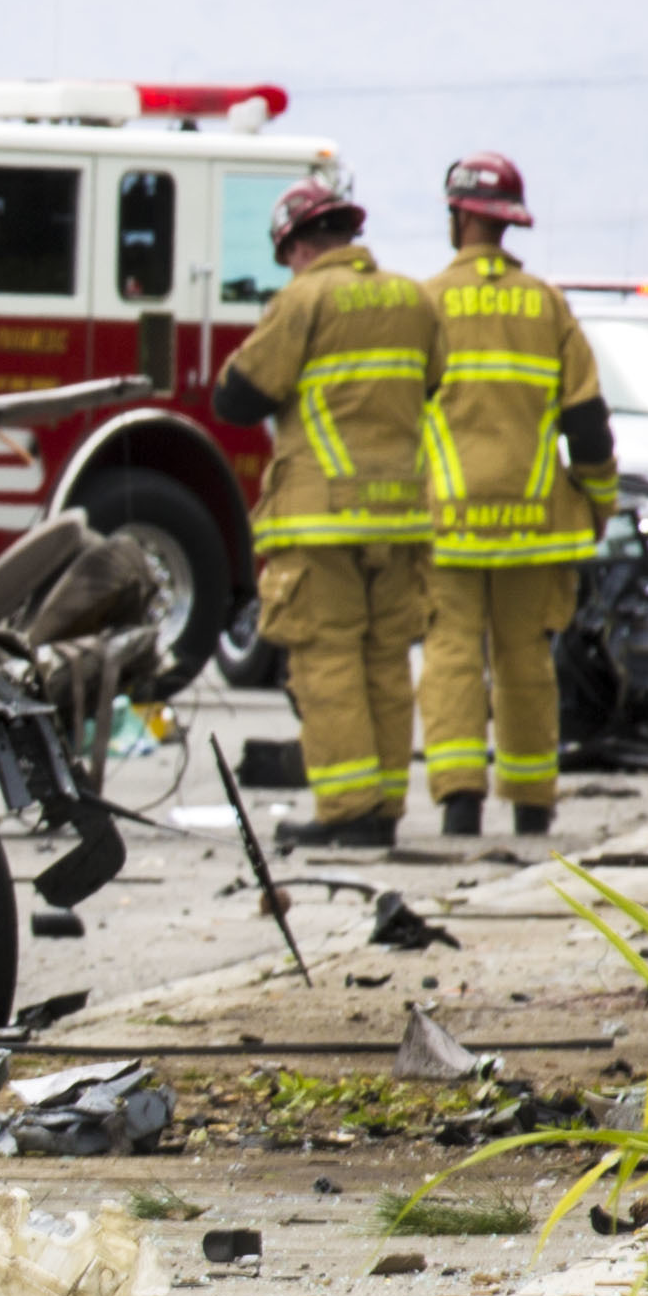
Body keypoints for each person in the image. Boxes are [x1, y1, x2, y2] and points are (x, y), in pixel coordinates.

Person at [214, 173, 440, 853]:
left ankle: (347, 810)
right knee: (385, 662)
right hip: (398, 519)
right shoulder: (413, 298)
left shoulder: (304, 299)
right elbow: (434, 380)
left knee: (326, 661)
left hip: (321, 519)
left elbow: (239, 397)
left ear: (297, 244)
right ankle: (386, 804)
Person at [414, 151, 612, 843]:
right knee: (526, 660)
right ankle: (532, 805)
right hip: (534, 525)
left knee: (451, 658)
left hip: (447, 523)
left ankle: (460, 804)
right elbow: (587, 418)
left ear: (462, 215)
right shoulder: (547, 304)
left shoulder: (429, 302)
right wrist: (598, 502)